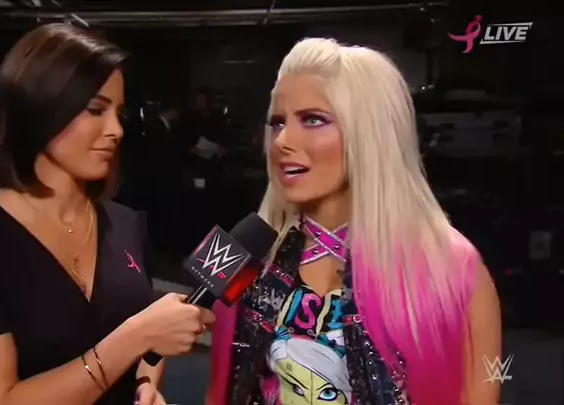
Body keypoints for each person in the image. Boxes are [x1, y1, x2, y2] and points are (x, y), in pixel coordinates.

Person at [0, 24, 213, 405]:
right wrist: (135, 337)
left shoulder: (126, 224)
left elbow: (147, 350)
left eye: (118, 113)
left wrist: (147, 384)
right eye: (96, 110)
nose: (115, 130)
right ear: (39, 110)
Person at [206, 38, 501, 405]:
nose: (282, 140)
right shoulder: (245, 249)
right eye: (278, 123)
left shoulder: (453, 266)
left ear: (370, 132)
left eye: (313, 120)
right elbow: (217, 386)